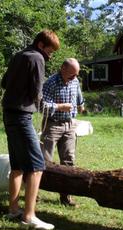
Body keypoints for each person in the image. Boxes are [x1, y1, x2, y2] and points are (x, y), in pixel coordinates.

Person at [1, 29, 60, 230]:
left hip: (8, 114)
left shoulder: (18, 55)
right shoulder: (37, 58)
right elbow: (37, 92)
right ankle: (29, 216)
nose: (49, 56)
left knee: (17, 165)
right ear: (41, 45)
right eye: (50, 52)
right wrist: (48, 108)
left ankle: (13, 209)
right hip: (21, 116)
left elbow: (3, 83)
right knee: (37, 166)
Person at [41, 58, 85, 207]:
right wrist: (60, 107)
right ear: (63, 69)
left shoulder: (75, 81)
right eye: (72, 74)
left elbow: (78, 95)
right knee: (44, 162)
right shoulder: (50, 83)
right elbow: (42, 106)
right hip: (52, 125)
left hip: (70, 125)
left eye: (76, 75)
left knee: (68, 161)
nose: (75, 78)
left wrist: (81, 105)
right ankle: (34, 195)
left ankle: (66, 198)